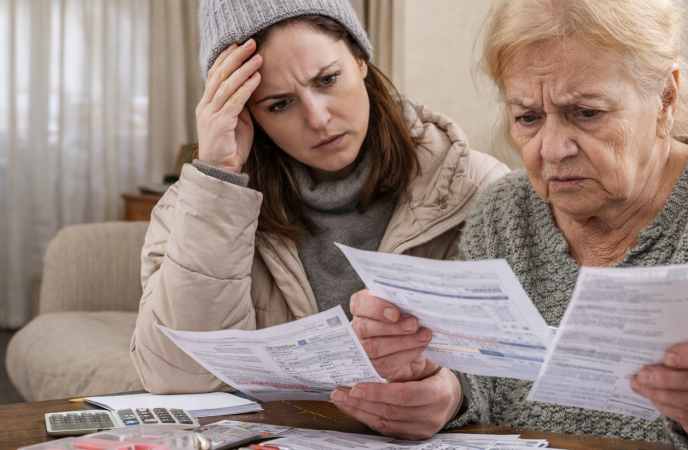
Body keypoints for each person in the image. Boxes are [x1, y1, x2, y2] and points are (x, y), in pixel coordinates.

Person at [336, 0, 688, 448]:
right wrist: (442, 392)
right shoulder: (505, 210)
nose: (552, 150)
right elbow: (485, 379)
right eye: (528, 118)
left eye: (586, 113)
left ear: (665, 98)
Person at [130, 0, 507, 396]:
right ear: (245, 113)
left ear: (360, 58)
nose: (318, 118)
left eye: (327, 80)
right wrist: (218, 183)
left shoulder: (478, 188)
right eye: (279, 104)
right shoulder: (193, 208)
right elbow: (175, 378)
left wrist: (452, 399)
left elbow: (518, 376)